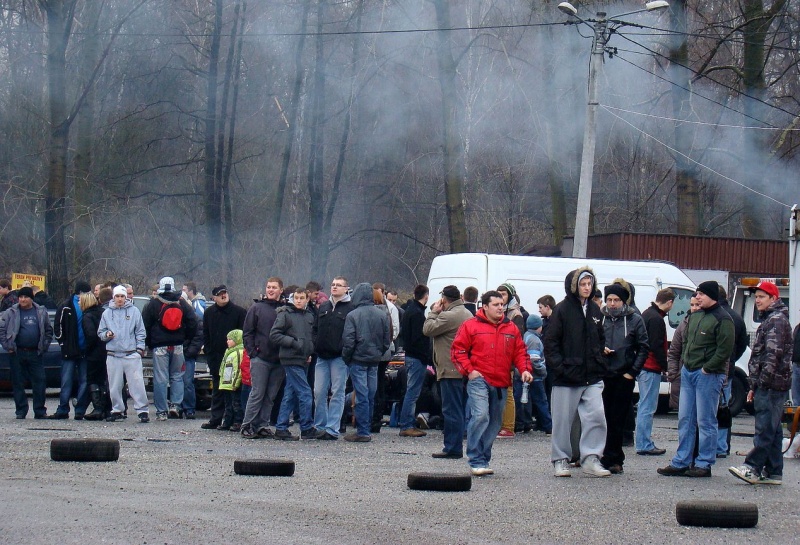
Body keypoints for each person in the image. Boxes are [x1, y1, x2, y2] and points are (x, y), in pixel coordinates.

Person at [451, 290, 533, 475]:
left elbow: (520, 352)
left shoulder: (511, 328)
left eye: (502, 304)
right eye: (496, 305)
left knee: (495, 423)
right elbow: (458, 350)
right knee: (481, 416)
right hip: (479, 379)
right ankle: (475, 458)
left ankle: (483, 457)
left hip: (501, 382)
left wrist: (525, 369)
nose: (500, 308)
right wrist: (469, 371)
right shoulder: (470, 326)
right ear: (485, 307)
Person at [658, 280, 733, 478]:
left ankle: (704, 463)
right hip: (688, 373)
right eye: (697, 293)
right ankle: (681, 461)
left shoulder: (723, 319)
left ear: (711, 296)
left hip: (707, 375)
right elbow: (685, 344)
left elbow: (725, 350)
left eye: (701, 294)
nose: (697, 297)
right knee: (685, 419)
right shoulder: (695, 316)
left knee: (706, 421)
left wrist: (707, 369)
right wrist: (683, 368)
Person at [544, 267, 610, 478]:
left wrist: (599, 360)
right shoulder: (562, 310)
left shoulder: (595, 310)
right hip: (566, 376)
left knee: (597, 416)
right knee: (562, 421)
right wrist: (559, 368)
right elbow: (551, 341)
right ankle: (560, 459)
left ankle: (591, 457)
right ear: (574, 286)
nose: (587, 288)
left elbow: (600, 338)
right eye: (582, 284)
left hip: (591, 375)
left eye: (589, 284)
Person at [729, 281, 794, 485]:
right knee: (773, 430)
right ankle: (774, 471)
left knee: (765, 428)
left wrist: (759, 384)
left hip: (771, 385)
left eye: (762, 297)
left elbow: (772, 356)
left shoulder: (775, 321)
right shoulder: (773, 320)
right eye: (756, 297)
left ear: (773, 298)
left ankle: (753, 467)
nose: (757, 300)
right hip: (774, 383)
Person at [599, 283, 649, 474]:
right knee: (601, 417)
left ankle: (615, 457)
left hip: (623, 375)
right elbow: (592, 341)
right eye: (610, 299)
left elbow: (644, 347)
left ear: (623, 301)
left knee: (617, 418)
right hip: (603, 374)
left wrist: (632, 372)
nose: (612, 304)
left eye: (616, 300)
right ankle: (600, 454)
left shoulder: (635, 319)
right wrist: (600, 351)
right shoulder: (600, 318)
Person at [423, 285, 473, 458]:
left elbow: (428, 329)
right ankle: (455, 445)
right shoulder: (466, 313)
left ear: (444, 299)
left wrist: (434, 312)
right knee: (458, 408)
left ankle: (452, 447)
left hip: (450, 368)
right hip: (462, 368)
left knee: (451, 409)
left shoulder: (449, 315)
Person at [341, 282, 391, 442]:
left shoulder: (353, 315)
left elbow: (348, 341)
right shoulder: (382, 314)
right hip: (374, 361)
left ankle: (362, 431)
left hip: (358, 360)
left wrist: (347, 358)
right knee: (370, 394)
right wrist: (378, 353)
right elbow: (386, 340)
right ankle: (366, 428)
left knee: (361, 395)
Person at [142, 276, 197, 421]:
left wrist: (149, 342)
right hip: (178, 345)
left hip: (159, 346)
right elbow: (193, 322)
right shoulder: (181, 302)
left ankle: (161, 411)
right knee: (177, 376)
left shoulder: (154, 303)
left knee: (160, 379)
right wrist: (185, 338)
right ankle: (175, 405)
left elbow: (145, 325)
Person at [240, 277, 284, 438]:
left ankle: (262, 425)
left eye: (274, 287)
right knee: (257, 393)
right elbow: (248, 332)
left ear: (281, 290)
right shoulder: (257, 308)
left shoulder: (285, 309)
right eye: (268, 287)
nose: (270, 290)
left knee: (270, 395)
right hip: (260, 358)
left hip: (279, 360)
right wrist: (253, 352)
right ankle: (247, 424)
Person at [98, 286, 149, 423]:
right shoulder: (107, 313)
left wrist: (139, 349)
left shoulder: (134, 311)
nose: (120, 299)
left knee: (137, 383)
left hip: (131, 353)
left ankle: (142, 410)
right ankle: (117, 409)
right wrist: (106, 335)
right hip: (113, 354)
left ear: (126, 297)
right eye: (117, 296)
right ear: (113, 298)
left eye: (122, 296)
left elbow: (140, 331)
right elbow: (100, 332)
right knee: (114, 385)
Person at [0, 286, 53, 419]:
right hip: (17, 352)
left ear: (31, 298)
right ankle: (21, 410)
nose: (23, 299)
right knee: (17, 382)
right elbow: (2, 329)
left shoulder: (40, 311)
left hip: (35, 353)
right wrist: (7, 345)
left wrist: (44, 345)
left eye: (26, 297)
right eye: (21, 297)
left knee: (40, 382)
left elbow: (48, 330)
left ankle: (40, 410)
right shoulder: (11, 312)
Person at [270, 288, 316, 440]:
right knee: (305, 393)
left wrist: (308, 351)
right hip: (290, 358)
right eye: (296, 297)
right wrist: (293, 343)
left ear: (307, 299)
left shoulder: (309, 316)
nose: (298, 300)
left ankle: (281, 427)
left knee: (290, 394)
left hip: (303, 358)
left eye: (302, 297)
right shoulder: (285, 314)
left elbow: (310, 336)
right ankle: (306, 427)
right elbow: (274, 334)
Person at [312, 276, 354, 440]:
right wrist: (315, 344)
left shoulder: (351, 308)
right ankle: (320, 425)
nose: (335, 287)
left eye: (339, 285)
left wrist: (345, 351)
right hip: (322, 357)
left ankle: (332, 429)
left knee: (337, 392)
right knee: (318, 391)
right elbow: (314, 329)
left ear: (346, 288)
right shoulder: (324, 306)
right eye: (333, 284)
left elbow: (351, 334)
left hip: (339, 358)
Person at [201, 284, 247, 429]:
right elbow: (206, 335)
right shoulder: (209, 313)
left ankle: (235, 420)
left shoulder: (239, 312)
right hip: (216, 356)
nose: (223, 295)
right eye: (220, 294)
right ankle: (216, 419)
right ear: (214, 297)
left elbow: (244, 335)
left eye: (225, 292)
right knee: (217, 389)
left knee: (233, 391)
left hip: (234, 357)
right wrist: (209, 353)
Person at [636, 288, 675, 456]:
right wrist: (665, 365)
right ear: (669, 302)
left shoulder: (646, 314)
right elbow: (657, 346)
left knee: (644, 405)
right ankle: (644, 443)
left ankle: (642, 441)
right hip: (651, 367)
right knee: (648, 406)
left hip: (643, 366)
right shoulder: (657, 320)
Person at [50, 281, 93, 420]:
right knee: (66, 380)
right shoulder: (66, 306)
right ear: (81, 292)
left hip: (85, 349)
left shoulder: (90, 306)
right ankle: (63, 408)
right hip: (69, 349)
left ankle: (80, 408)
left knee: (84, 380)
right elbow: (57, 326)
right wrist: (62, 342)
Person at [716, 285, 748, 458]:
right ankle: (722, 446)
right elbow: (743, 344)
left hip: (714, 370)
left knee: (711, 411)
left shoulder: (715, 316)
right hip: (728, 370)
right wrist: (733, 357)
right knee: (724, 409)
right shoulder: (736, 317)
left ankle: (714, 446)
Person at [398, 284, 432, 438]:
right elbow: (418, 339)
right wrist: (427, 357)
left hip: (410, 355)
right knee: (412, 392)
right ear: (426, 296)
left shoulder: (409, 310)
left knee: (410, 391)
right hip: (416, 357)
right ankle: (407, 424)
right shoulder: (418, 314)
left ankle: (406, 422)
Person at [496, 282, 525, 439]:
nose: (501, 296)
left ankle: (508, 426)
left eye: (504, 294)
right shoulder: (500, 312)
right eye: (499, 293)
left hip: (508, 360)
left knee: (508, 393)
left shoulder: (515, 314)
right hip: (497, 359)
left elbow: (517, 340)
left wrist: (513, 362)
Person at [81, 291, 110, 421]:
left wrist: (86, 349)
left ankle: (97, 407)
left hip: (94, 353)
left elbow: (91, 335)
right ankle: (105, 408)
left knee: (92, 380)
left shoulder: (87, 316)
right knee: (103, 379)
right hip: (106, 350)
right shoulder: (103, 312)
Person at [522, 314, 552, 435]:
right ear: (538, 326)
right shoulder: (534, 340)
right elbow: (534, 359)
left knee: (527, 400)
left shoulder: (526, 336)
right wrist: (543, 371)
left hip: (527, 375)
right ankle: (549, 426)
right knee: (541, 401)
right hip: (535, 376)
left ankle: (525, 423)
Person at [181, 282, 206, 420]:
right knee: (175, 381)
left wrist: (190, 351)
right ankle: (176, 406)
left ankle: (189, 408)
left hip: (188, 355)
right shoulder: (175, 315)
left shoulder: (196, 316)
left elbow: (199, 336)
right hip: (177, 352)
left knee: (187, 382)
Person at [218, 329, 245, 432]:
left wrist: (235, 383)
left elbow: (238, 369)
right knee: (228, 404)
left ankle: (238, 422)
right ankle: (227, 422)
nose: (227, 341)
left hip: (233, 384)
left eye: (230, 339)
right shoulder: (229, 352)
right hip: (226, 383)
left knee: (236, 404)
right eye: (227, 339)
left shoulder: (239, 352)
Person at [537, 294, 556, 408]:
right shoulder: (544, 322)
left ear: (547, 307)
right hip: (547, 360)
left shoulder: (554, 323)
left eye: (541, 307)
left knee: (550, 389)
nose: (539, 310)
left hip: (551, 362)